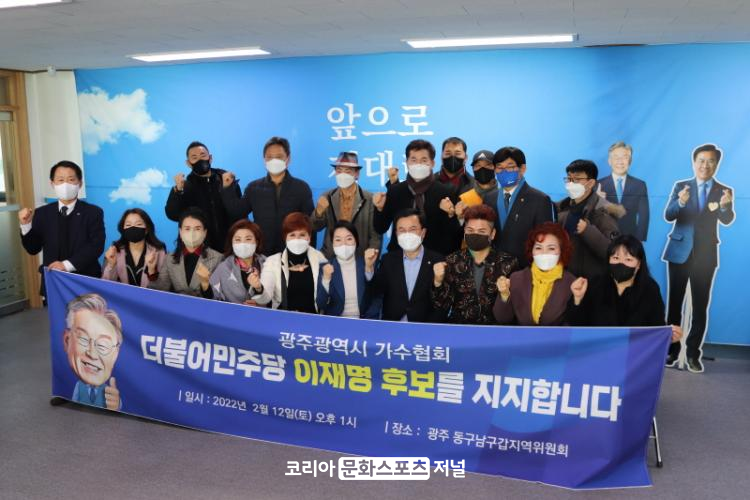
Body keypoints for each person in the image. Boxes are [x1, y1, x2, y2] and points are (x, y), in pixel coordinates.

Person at [663, 143, 735, 373]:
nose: (705, 165)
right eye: (701, 160)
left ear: (717, 164)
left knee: (700, 306)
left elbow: (727, 219)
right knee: (674, 304)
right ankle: (671, 350)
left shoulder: (724, 191)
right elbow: (669, 214)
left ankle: (694, 354)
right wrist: (681, 202)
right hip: (679, 252)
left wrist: (724, 207)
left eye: (710, 161)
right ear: (694, 162)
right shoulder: (681, 186)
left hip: (706, 255)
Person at [567, 235, 682, 343]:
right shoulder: (594, 284)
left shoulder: (650, 289)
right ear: (608, 260)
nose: (621, 263)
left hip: (634, 354)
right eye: (616, 258)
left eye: (628, 259)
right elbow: (577, 326)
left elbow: (656, 329)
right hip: (598, 351)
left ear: (639, 264)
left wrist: (670, 338)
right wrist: (578, 299)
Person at [19, 160, 105, 298]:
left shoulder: (93, 212)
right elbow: (33, 248)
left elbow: (96, 246)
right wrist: (25, 225)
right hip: (53, 279)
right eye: (60, 180)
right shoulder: (42, 213)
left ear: (80, 183)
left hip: (85, 280)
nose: (65, 184)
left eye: (71, 179)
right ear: (52, 183)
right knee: (56, 313)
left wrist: (66, 265)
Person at [221, 136, 315, 255]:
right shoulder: (254, 188)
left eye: (279, 157)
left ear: (288, 159)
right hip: (262, 253)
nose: (274, 161)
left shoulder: (301, 187)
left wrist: (310, 254)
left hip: (293, 252)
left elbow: (309, 224)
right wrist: (227, 188)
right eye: (269, 157)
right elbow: (236, 211)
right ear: (264, 160)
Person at [431, 205, 518, 324]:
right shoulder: (452, 261)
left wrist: (505, 294)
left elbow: (515, 307)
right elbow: (440, 305)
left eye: (481, 231)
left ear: (492, 234)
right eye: (470, 230)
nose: (475, 234)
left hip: (495, 330)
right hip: (460, 329)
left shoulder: (508, 263)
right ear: (464, 231)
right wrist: (438, 281)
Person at [372, 139, 461, 256]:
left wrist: (450, 215)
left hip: (435, 257)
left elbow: (454, 235)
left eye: (424, 160)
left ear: (432, 163)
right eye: (413, 160)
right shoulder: (395, 191)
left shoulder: (446, 192)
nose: (418, 164)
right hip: (398, 256)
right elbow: (380, 228)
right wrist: (379, 209)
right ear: (407, 162)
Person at [366, 208, 445, 322]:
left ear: (423, 232)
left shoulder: (438, 260)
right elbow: (376, 291)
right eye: (401, 230)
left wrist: (438, 282)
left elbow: (443, 301)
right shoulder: (388, 260)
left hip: (424, 326)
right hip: (393, 325)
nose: (407, 234)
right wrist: (369, 268)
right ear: (396, 234)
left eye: (412, 229)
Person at [493, 222, 576, 326]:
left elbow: (577, 323)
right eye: (538, 248)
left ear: (561, 251)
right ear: (532, 251)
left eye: (551, 248)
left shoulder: (571, 283)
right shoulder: (517, 279)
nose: (544, 253)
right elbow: (502, 319)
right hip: (524, 337)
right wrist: (504, 294)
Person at [482, 147, 554, 267]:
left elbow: (545, 240)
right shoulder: (489, 198)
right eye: (499, 167)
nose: (504, 172)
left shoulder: (540, 200)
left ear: (523, 168)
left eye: (510, 167)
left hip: (524, 270)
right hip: (493, 269)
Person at [165, 141, 240, 252]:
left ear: (210, 158)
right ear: (188, 163)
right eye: (194, 157)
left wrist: (228, 188)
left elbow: (239, 212)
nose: (200, 160)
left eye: (203, 155)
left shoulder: (226, 180)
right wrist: (177, 190)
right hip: (202, 248)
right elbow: (172, 215)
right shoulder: (185, 186)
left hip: (231, 245)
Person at [556, 159, 623, 279]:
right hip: (563, 279)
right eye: (569, 179)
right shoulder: (560, 208)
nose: (571, 183)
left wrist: (588, 231)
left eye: (577, 179)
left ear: (591, 183)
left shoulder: (603, 211)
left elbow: (613, 252)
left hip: (591, 282)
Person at [251, 212, 327, 312]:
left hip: (313, 317)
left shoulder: (320, 258)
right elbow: (265, 298)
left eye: (302, 235)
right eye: (292, 235)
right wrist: (258, 288)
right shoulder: (272, 262)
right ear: (285, 238)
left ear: (309, 237)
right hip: (283, 318)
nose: (297, 239)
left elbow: (327, 294)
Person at [311, 152, 382, 260]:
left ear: (357, 174)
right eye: (339, 171)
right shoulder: (327, 196)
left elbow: (375, 235)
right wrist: (318, 212)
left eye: (348, 171)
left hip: (359, 258)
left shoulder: (369, 199)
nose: (342, 175)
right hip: (331, 258)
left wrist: (370, 261)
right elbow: (315, 227)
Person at [63, 293, 122, 410]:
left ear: (115, 354)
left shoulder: (108, 390)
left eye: (102, 345)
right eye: (83, 339)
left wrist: (116, 404)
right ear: (67, 341)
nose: (92, 354)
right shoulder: (79, 386)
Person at [149, 208, 223, 297]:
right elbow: (159, 291)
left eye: (197, 229)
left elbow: (219, 297)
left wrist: (205, 285)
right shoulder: (170, 258)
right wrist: (151, 270)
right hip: (177, 305)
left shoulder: (218, 258)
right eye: (187, 229)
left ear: (205, 232)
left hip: (203, 305)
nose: (192, 233)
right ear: (180, 232)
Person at [316, 221, 381, 318]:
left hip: (363, 320)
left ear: (356, 241)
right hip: (336, 321)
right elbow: (321, 304)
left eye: (349, 239)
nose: (344, 244)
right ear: (332, 243)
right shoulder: (325, 268)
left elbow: (376, 297)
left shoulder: (368, 262)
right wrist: (326, 279)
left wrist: (368, 269)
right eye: (338, 240)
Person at [597, 141, 650, 241]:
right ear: (609, 161)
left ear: (630, 161)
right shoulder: (598, 185)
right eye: (616, 157)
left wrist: (639, 240)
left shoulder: (640, 185)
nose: (620, 161)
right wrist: (598, 201)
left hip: (630, 238)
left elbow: (644, 216)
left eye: (625, 157)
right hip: (604, 237)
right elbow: (592, 215)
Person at [102, 208, 167, 287]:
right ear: (123, 230)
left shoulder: (159, 252)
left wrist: (152, 271)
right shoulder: (114, 251)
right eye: (128, 225)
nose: (133, 228)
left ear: (146, 229)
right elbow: (105, 285)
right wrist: (111, 265)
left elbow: (163, 288)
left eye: (138, 224)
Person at [209, 220, 267, 305]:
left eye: (248, 239)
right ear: (232, 243)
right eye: (237, 240)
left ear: (257, 242)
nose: (243, 244)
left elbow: (278, 298)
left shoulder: (268, 264)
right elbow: (212, 299)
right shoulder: (223, 268)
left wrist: (260, 303)